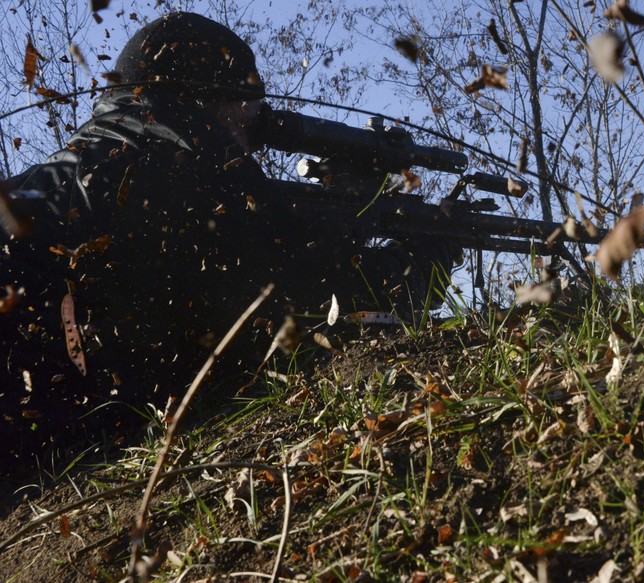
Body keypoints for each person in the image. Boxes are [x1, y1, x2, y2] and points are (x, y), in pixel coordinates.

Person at [0, 12, 457, 470]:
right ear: (211, 98)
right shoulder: (200, 167)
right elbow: (331, 305)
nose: (253, 142)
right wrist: (426, 259)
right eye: (251, 121)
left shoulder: (61, 172)